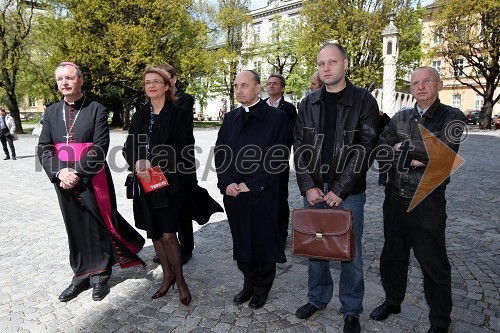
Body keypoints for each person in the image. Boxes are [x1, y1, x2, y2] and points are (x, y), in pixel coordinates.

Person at [37, 62, 146, 302]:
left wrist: (75, 172)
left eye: (69, 78)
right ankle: (80, 274)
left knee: (97, 222)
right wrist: (59, 173)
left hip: (91, 176)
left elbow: (99, 148)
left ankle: (100, 275)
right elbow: (44, 147)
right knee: (74, 224)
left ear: (80, 80)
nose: (64, 83)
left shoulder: (96, 109)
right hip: (62, 179)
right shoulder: (51, 112)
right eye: (59, 80)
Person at [370, 67, 466, 333]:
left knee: (433, 262)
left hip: (427, 199)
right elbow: (379, 150)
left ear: (439, 84)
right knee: (393, 255)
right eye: (415, 83)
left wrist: (401, 147)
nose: (420, 87)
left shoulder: (452, 116)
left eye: (427, 81)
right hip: (395, 197)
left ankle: (439, 320)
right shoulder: (401, 117)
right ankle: (392, 301)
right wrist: (413, 156)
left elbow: (444, 154)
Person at [293, 43, 379, 333]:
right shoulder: (308, 102)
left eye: (331, 62)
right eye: (321, 64)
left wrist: (340, 189)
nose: (326, 68)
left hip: (349, 191)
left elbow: (365, 148)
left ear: (345, 63)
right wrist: (308, 186)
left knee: (349, 250)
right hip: (316, 188)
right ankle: (317, 298)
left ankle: (351, 308)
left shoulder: (364, 100)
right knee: (316, 246)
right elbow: (300, 148)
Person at [215, 69, 287, 310]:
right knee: (242, 240)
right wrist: (226, 183)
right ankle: (248, 283)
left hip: (261, 194)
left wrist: (252, 184)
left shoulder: (277, 118)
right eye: (236, 86)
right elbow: (221, 153)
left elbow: (277, 158)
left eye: (244, 86)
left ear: (258, 89)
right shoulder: (230, 118)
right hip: (235, 194)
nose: (239, 90)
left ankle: (262, 287)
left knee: (263, 241)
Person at [123, 65, 193, 306]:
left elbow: (186, 151)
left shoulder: (178, 114)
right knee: (153, 232)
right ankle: (167, 276)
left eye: (156, 81)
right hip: (145, 181)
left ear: (166, 86)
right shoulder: (140, 114)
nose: (151, 85)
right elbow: (129, 146)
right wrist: (136, 161)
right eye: (147, 82)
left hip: (170, 182)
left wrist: (153, 161)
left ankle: (181, 281)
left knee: (168, 235)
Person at [150, 63, 196, 266]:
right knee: (162, 204)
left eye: (165, 78)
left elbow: (178, 122)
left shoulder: (185, 100)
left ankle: (186, 247)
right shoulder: (151, 104)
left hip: (180, 162)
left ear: (174, 80)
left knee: (184, 206)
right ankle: (168, 246)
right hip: (156, 165)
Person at [265, 73, 297, 247]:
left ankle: (280, 233)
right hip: (260, 160)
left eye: (275, 84)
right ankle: (266, 231)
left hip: (279, 161)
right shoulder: (261, 106)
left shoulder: (289, 109)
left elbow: (288, 134)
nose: (271, 86)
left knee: (279, 197)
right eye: (269, 83)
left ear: (282, 88)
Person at [377, 110, 391, 186]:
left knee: (383, 163)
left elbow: (389, 121)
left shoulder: (384, 119)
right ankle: (382, 180)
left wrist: (384, 115)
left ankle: (382, 180)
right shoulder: (371, 118)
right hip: (378, 144)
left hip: (382, 144)